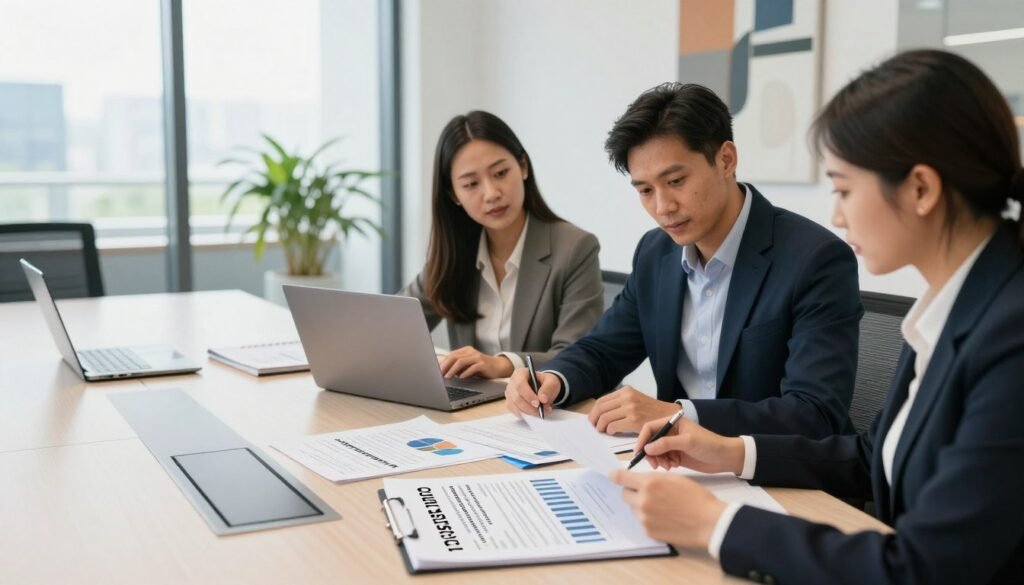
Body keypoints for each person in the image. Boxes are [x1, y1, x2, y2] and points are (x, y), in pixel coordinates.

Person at [611, 49, 1024, 585]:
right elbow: (871, 457)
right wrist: (729, 451)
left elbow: (925, 569)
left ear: (921, 189)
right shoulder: (957, 308)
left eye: (844, 189)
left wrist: (719, 524)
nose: (835, 213)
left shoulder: (1009, 336)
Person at [505, 83, 861, 436]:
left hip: (773, 475)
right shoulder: (655, 252)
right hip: (675, 467)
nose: (663, 208)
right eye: (645, 190)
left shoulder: (815, 259)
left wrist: (678, 415)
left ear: (726, 160)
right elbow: (602, 350)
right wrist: (553, 379)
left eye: (675, 180)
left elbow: (814, 413)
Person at [400, 111, 604, 379]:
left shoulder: (575, 248)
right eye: (471, 184)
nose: (491, 193)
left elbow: (578, 354)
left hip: (549, 410)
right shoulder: (456, 253)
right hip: (475, 411)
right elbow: (394, 326)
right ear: (454, 195)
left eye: (500, 173)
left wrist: (504, 364)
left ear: (523, 167)